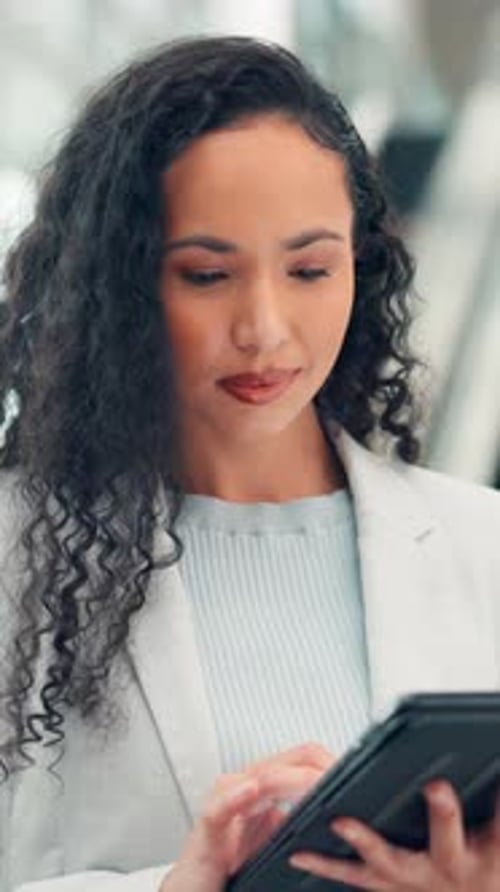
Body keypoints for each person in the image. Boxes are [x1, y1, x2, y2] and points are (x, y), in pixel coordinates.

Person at [0, 34, 499, 892]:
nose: (264, 329)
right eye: (206, 275)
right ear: (120, 285)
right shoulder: (18, 551)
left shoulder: (483, 546)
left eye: (310, 268)